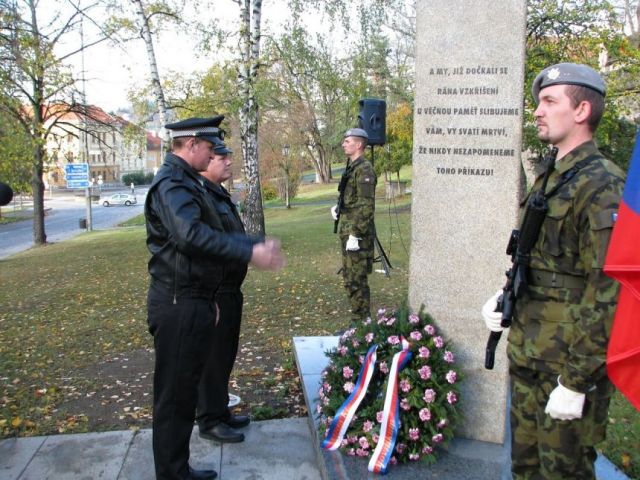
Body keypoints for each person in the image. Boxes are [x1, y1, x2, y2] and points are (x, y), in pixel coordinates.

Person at [481, 63, 626, 479]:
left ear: (581, 111)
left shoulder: (602, 185)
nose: (538, 112)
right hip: (530, 351)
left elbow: (610, 292)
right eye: (538, 102)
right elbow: (537, 259)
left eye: (549, 101)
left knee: (564, 473)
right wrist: (504, 293)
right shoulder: (549, 178)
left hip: (566, 364)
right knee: (525, 468)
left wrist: (577, 380)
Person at [145, 116, 284, 480]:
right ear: (190, 144)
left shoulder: (185, 182)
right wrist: (249, 251)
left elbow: (205, 234)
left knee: (183, 389)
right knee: (174, 397)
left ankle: (176, 469)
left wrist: (248, 245)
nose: (212, 157)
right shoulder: (173, 185)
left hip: (194, 298)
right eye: (209, 148)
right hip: (179, 302)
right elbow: (190, 235)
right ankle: (173, 474)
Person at [196, 140, 250, 443]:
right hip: (216, 291)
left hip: (230, 289)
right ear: (207, 161)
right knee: (213, 358)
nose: (229, 162)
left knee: (225, 354)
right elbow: (207, 245)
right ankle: (209, 420)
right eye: (222, 157)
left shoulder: (218, 193)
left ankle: (220, 411)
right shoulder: (202, 196)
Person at [332, 128, 377, 323]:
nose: (344, 144)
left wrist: (356, 234)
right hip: (348, 230)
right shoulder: (352, 167)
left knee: (357, 281)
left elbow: (367, 206)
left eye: (347, 141)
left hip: (357, 235)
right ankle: (357, 323)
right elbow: (352, 198)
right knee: (350, 280)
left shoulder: (364, 169)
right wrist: (339, 208)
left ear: (359, 145)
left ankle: (362, 326)